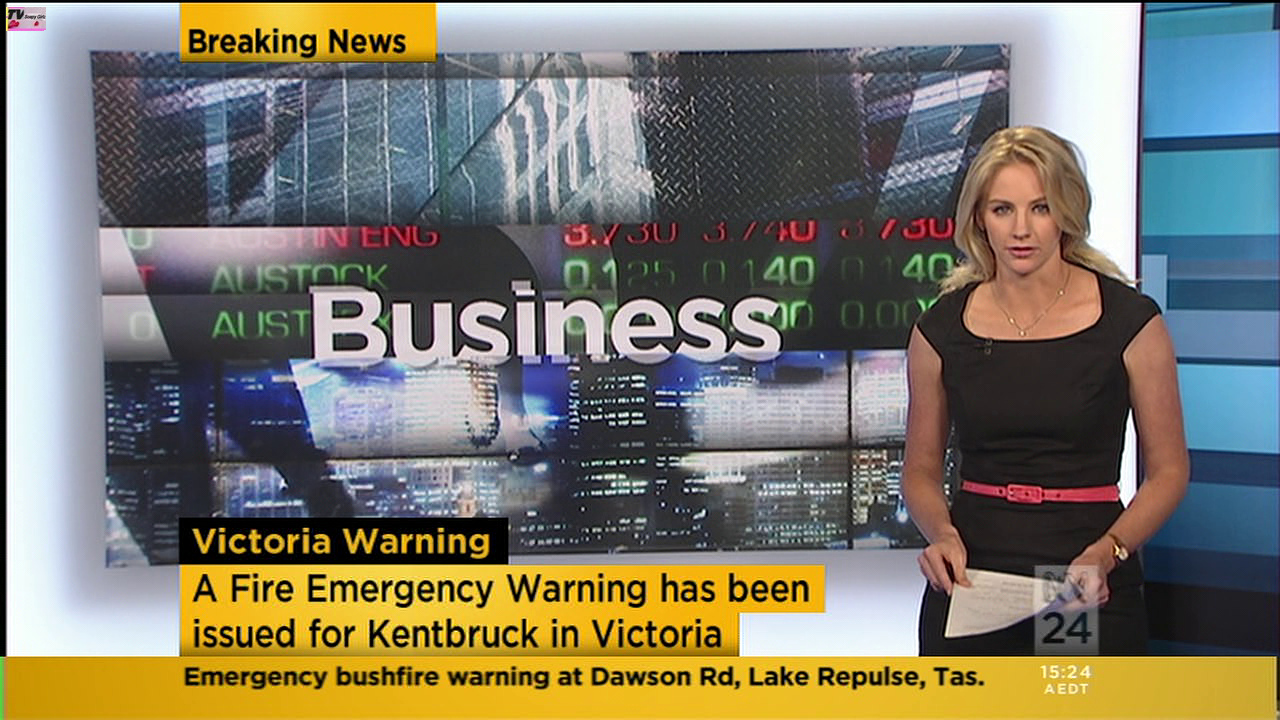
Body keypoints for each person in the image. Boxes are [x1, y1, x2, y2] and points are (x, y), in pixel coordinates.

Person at [902, 126, 1189, 655]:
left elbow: (1169, 471)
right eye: (1002, 209)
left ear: (1066, 212)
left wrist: (1110, 551)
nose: (1021, 230)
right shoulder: (940, 329)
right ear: (979, 218)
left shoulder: (1129, 322)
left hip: (1083, 578)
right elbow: (919, 471)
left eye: (1040, 208)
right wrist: (941, 534)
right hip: (972, 578)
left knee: (1067, 697)